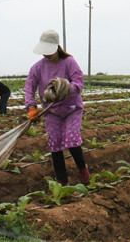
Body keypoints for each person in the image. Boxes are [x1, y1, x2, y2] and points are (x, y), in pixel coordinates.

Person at [24, 30, 90, 185]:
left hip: (71, 109)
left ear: (56, 47)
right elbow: (29, 87)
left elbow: (78, 81)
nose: (45, 55)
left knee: (71, 140)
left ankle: (82, 169)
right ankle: (62, 181)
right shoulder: (38, 68)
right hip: (52, 111)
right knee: (55, 144)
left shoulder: (69, 62)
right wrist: (31, 106)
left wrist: (66, 89)